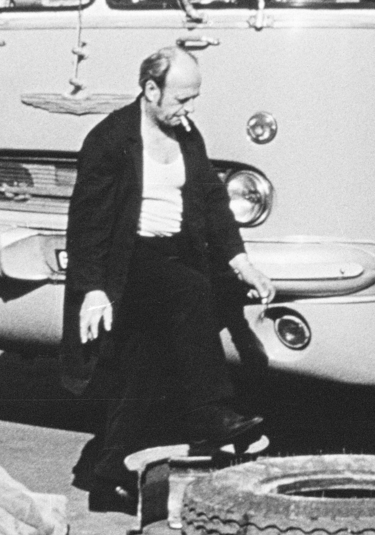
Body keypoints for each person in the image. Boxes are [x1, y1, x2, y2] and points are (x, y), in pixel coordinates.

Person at [63, 47, 274, 495]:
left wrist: (241, 262)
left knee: (146, 363)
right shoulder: (110, 139)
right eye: (181, 99)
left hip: (178, 251)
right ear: (150, 89)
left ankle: (109, 469)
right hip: (130, 260)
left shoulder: (186, 133)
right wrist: (92, 290)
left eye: (194, 98)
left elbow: (213, 202)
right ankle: (210, 412)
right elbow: (87, 224)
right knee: (190, 291)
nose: (188, 109)